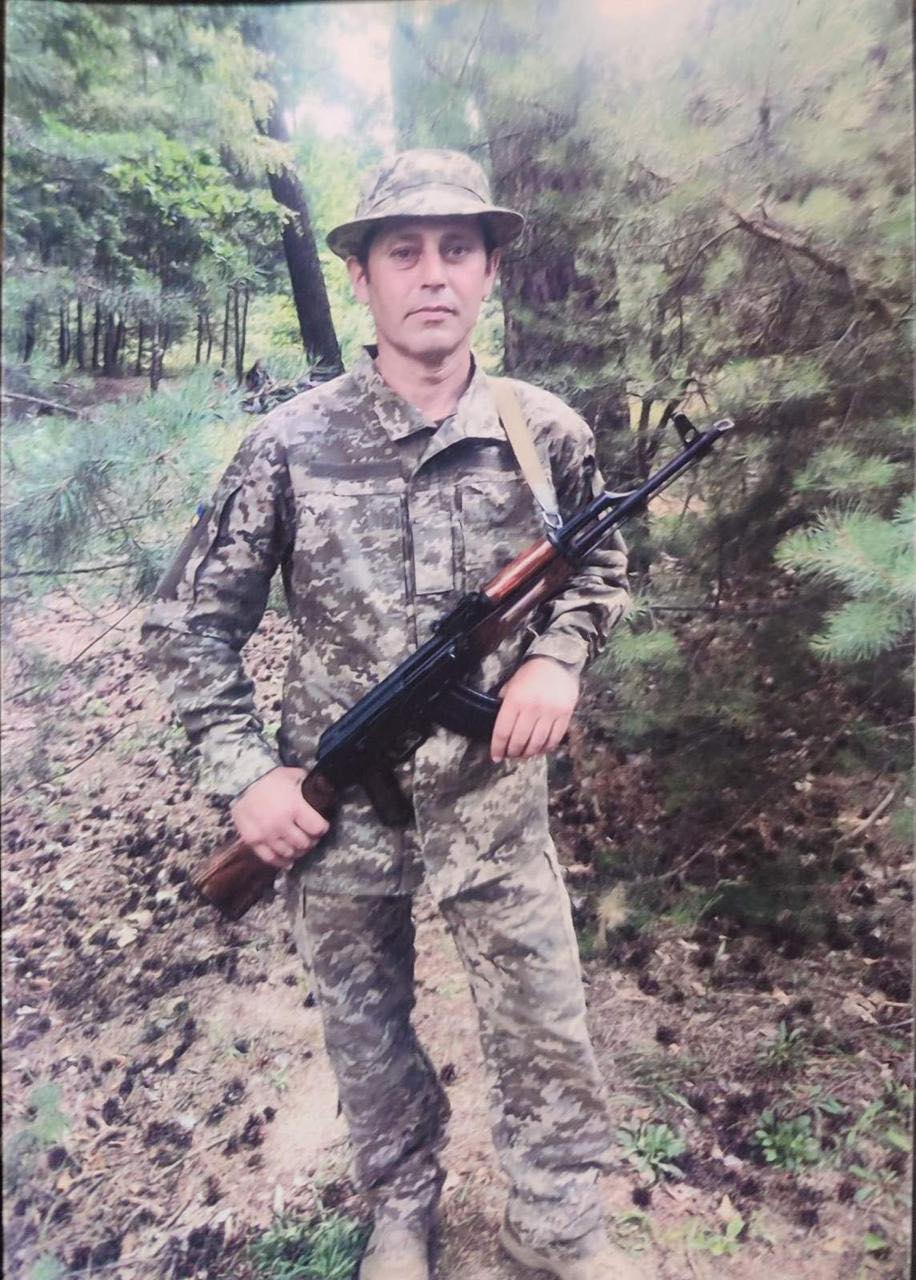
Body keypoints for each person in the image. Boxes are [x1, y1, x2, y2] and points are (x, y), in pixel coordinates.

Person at [142, 149, 643, 1280]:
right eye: (403, 251)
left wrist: (557, 660)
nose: (433, 274)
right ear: (361, 276)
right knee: (366, 1035)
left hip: (493, 803)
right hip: (342, 810)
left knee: (544, 1024)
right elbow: (186, 624)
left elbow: (598, 567)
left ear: (490, 271)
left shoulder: (545, 434)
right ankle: (402, 1212)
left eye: (457, 249)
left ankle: (558, 1228)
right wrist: (246, 774)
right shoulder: (288, 444)